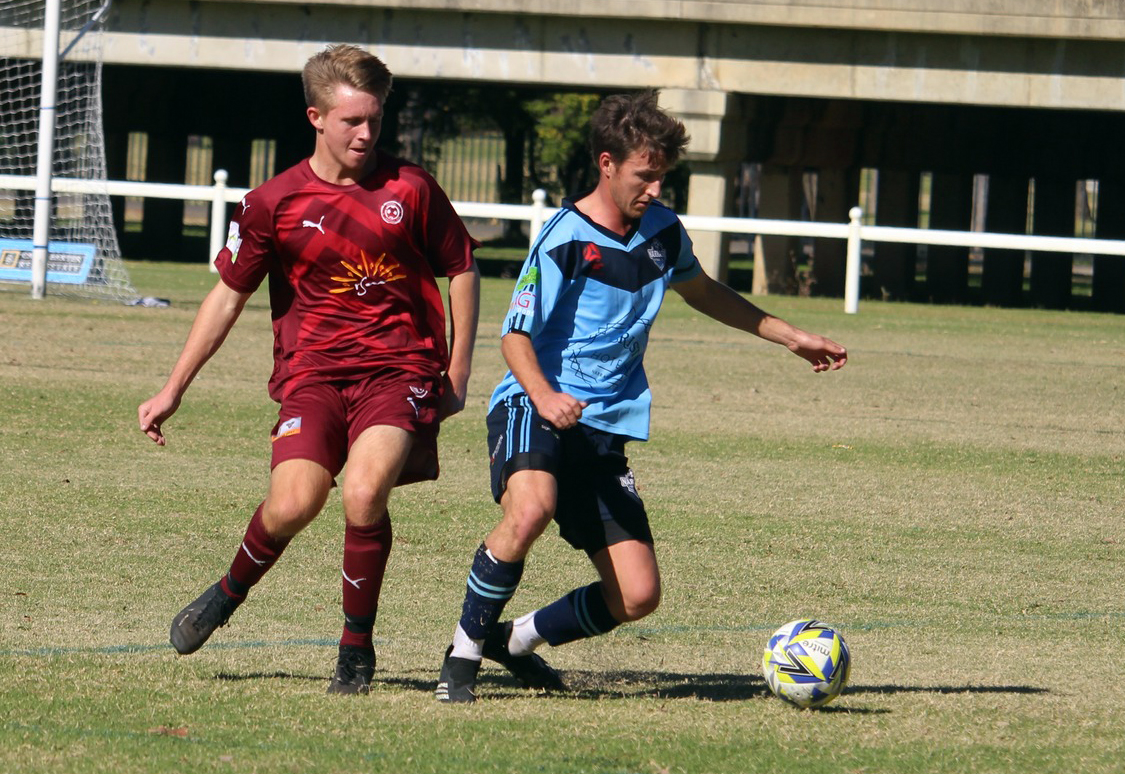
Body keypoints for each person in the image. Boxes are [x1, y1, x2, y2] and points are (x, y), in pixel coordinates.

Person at [435, 90, 848, 703]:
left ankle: (513, 642)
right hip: (533, 406)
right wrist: (546, 397)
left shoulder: (661, 230)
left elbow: (704, 291)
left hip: (603, 426)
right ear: (607, 163)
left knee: (636, 595)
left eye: (662, 177)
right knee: (530, 510)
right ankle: (462, 659)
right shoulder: (564, 237)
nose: (655, 189)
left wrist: (790, 336)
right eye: (644, 176)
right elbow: (514, 336)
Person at [137, 44, 483, 695]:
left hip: (397, 374)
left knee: (362, 491)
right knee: (293, 502)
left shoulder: (410, 187)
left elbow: (462, 265)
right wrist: (172, 388)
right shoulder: (272, 203)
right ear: (315, 117)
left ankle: (355, 651)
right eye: (352, 121)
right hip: (313, 379)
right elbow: (227, 295)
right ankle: (227, 593)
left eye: (375, 120)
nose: (366, 134)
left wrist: (457, 373)